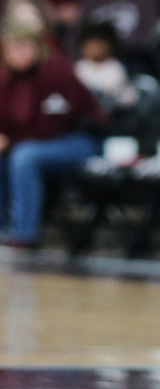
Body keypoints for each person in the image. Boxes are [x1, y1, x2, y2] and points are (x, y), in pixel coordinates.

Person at [0, 19, 101, 248]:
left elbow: (53, 126)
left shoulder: (57, 73)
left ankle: (24, 235)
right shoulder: (4, 78)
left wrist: (10, 140)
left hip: (79, 139)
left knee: (25, 157)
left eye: (26, 46)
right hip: (27, 143)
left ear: (39, 48)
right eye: (14, 47)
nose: (21, 53)